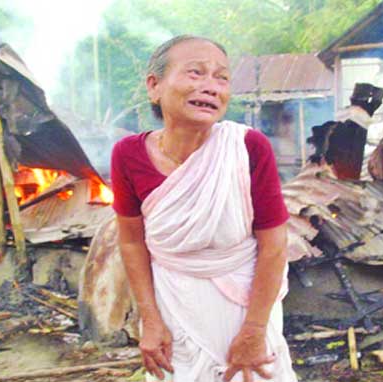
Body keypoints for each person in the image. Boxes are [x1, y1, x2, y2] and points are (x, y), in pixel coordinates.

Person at [109, 35, 298, 382]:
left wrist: (254, 331)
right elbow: (132, 243)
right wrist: (150, 320)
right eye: (196, 73)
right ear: (154, 86)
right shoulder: (127, 155)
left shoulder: (246, 148)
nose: (211, 87)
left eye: (221, 78)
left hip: (245, 309)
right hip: (173, 309)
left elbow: (274, 246)